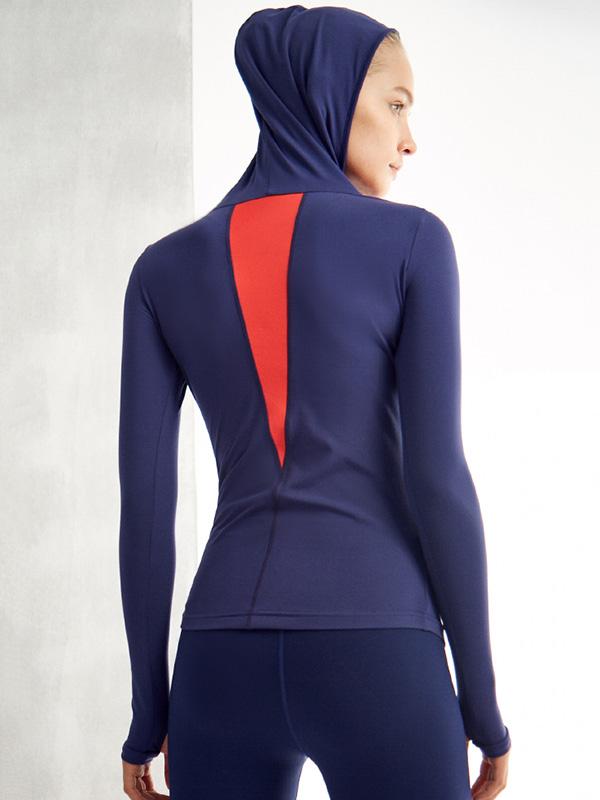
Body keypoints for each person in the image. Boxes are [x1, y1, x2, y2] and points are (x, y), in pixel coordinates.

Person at [118, 6, 511, 799]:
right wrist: (483, 710)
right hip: (381, 657)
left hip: (218, 664)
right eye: (395, 103)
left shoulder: (161, 270)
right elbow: (438, 482)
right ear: (331, 92)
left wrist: (148, 715)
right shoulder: (413, 244)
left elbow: (146, 510)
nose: (408, 139)